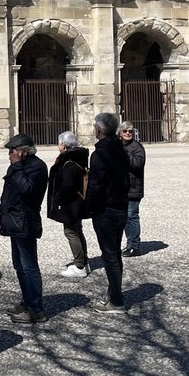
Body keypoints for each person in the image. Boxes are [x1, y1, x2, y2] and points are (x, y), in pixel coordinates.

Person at [0, 134, 49, 323]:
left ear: (23, 151)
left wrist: (17, 166)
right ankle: (27, 300)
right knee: (19, 265)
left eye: (13, 150)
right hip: (14, 221)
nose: (10, 154)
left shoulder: (37, 167)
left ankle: (37, 309)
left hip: (26, 221)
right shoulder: (18, 166)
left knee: (29, 266)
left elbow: (27, 189)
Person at [85, 112, 130, 314]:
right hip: (120, 206)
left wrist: (88, 208)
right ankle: (114, 293)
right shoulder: (120, 149)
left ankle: (117, 300)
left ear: (99, 129)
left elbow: (96, 186)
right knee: (114, 254)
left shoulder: (100, 154)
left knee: (110, 255)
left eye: (95, 126)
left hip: (106, 209)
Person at [49, 131, 90, 279]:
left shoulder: (69, 162)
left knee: (71, 232)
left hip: (72, 204)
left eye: (59, 143)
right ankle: (84, 261)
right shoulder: (78, 157)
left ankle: (79, 265)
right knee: (77, 230)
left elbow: (68, 186)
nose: (58, 146)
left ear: (64, 147)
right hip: (77, 203)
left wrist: (58, 198)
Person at [120, 122, 146, 257]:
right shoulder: (120, 146)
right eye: (125, 131)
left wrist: (123, 154)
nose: (128, 133)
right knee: (125, 217)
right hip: (122, 188)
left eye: (130, 131)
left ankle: (135, 246)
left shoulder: (137, 147)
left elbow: (137, 164)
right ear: (120, 132)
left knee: (132, 216)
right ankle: (130, 244)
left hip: (134, 188)